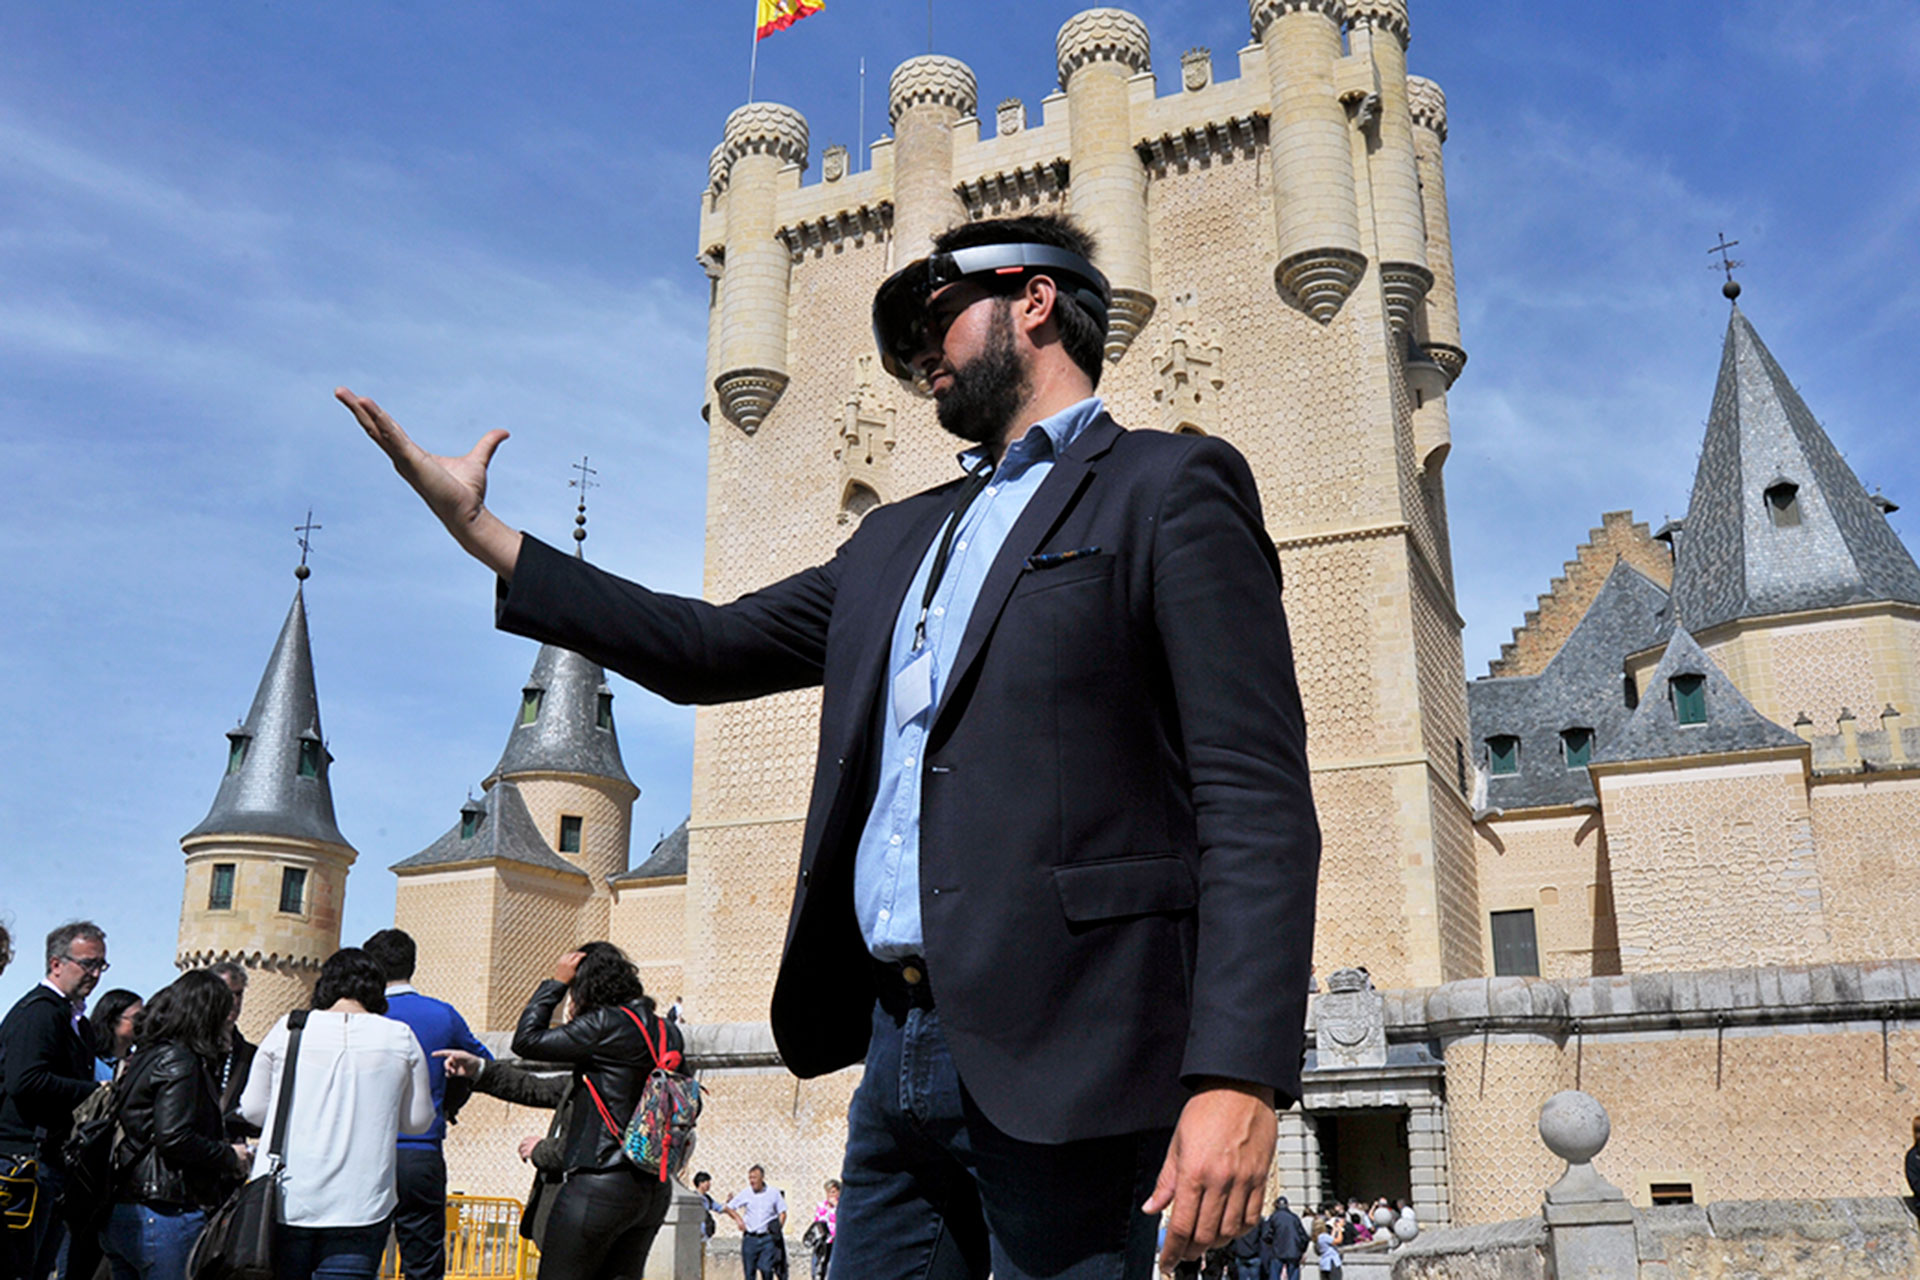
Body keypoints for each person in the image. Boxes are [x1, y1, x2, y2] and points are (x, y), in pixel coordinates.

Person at [341, 208, 1319, 1279]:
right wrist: (486, 533)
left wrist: (1239, 1071)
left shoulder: (1169, 487)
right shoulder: (898, 538)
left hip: (1078, 1042)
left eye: (936, 320)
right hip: (895, 1047)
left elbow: (1254, 795)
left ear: (1034, 300)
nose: (916, 362)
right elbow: (704, 645)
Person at [439, 942, 683, 1280]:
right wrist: (481, 1069)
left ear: (584, 985)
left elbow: (526, 1040)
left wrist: (556, 982)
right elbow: (559, 1090)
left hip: (599, 1186)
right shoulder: (665, 1032)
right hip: (650, 1190)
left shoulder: (604, 1024)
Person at [239, 947, 433, 1279]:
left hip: (288, 1195)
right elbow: (417, 1122)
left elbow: (254, 1110)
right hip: (362, 1203)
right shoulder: (399, 1036)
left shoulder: (290, 1028)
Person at [101, 970, 251, 1280]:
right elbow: (175, 1136)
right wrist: (229, 1156)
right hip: (164, 1209)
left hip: (127, 1206)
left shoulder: (147, 1054)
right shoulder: (180, 1060)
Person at [362, 929, 492, 1280]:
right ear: (413, 965)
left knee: (355, 1257)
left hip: (361, 1152)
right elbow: (483, 1065)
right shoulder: (443, 1015)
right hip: (420, 1152)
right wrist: (451, 1102)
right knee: (423, 1260)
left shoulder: (363, 1017)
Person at [0, 920, 110, 1280]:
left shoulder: (75, 1019)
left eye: (100, 965)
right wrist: (96, 1092)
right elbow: (26, 1081)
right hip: (25, 1162)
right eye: (88, 964)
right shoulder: (41, 1013)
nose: (95, 974)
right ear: (56, 963)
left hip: (50, 1162)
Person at [207, 961, 259, 1140]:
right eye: (227, 993)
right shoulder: (187, 1047)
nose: (234, 1001)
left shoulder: (249, 1054)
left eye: (238, 994)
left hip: (229, 1154)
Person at [725, 1165, 786, 1280]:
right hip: (750, 1238)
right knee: (749, 1272)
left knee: (767, 1269)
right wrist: (738, 1220)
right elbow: (729, 1207)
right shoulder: (746, 1193)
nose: (752, 1181)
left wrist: (777, 1229)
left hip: (767, 1238)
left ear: (762, 1178)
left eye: (754, 1178)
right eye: (750, 1178)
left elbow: (782, 1212)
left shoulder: (773, 1193)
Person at [88, 989, 144, 1084]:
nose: (142, 1023)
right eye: (137, 1018)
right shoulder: (90, 1062)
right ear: (112, 1020)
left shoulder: (138, 1064)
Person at [1262, 1196, 1308, 1280]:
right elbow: (1304, 1236)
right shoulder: (1294, 1218)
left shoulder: (1273, 1217)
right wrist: (1301, 1249)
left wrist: (1271, 1243)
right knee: (1293, 1275)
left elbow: (1265, 1235)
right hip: (1293, 1251)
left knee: (1274, 1275)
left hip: (1277, 1251)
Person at [804, 1179, 838, 1279]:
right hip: (822, 1242)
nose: (830, 1195)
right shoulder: (821, 1206)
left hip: (835, 1242)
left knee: (831, 1268)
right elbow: (817, 1221)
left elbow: (844, 1220)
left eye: (833, 1192)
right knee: (817, 1268)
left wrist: (836, 1206)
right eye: (828, 1192)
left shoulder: (842, 1207)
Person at [693, 1171, 721, 1244]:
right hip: (696, 1233)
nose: (709, 1185)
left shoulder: (707, 1198)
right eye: (707, 1182)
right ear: (700, 1183)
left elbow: (719, 1208)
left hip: (705, 1235)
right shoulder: (693, 1198)